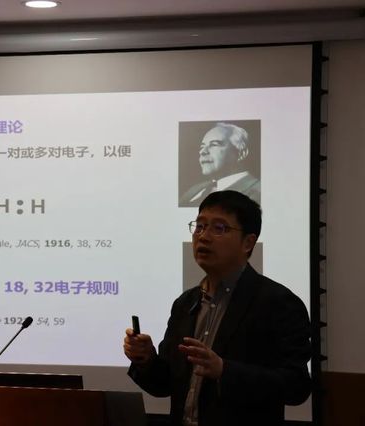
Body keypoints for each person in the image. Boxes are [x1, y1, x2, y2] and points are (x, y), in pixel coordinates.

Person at [124, 190, 311, 426]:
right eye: (199, 226)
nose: (203, 236)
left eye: (219, 228)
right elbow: (165, 385)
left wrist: (224, 370)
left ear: (248, 242)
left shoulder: (277, 303)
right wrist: (146, 359)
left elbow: (296, 386)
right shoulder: (185, 303)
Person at [179, 123, 260, 207]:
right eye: (202, 147)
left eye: (214, 144)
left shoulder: (258, 193)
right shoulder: (194, 189)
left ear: (241, 154)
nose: (202, 152)